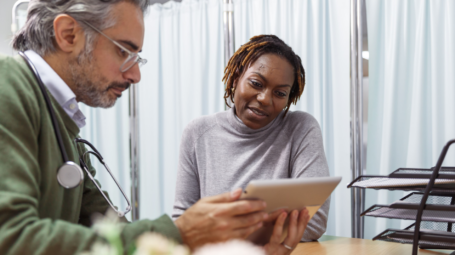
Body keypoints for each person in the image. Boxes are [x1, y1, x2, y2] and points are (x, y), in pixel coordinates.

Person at [0, 0, 271, 254]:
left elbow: (112, 233)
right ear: (69, 34)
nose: (135, 75)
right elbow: (11, 238)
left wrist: (232, 240)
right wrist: (178, 232)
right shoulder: (7, 85)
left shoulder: (61, 120)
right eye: (124, 51)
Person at [173, 35, 330, 254]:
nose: (265, 99)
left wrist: (220, 231)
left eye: (280, 93)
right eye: (256, 83)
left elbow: (313, 221)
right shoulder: (197, 133)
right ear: (236, 77)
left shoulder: (301, 128)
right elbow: (183, 224)